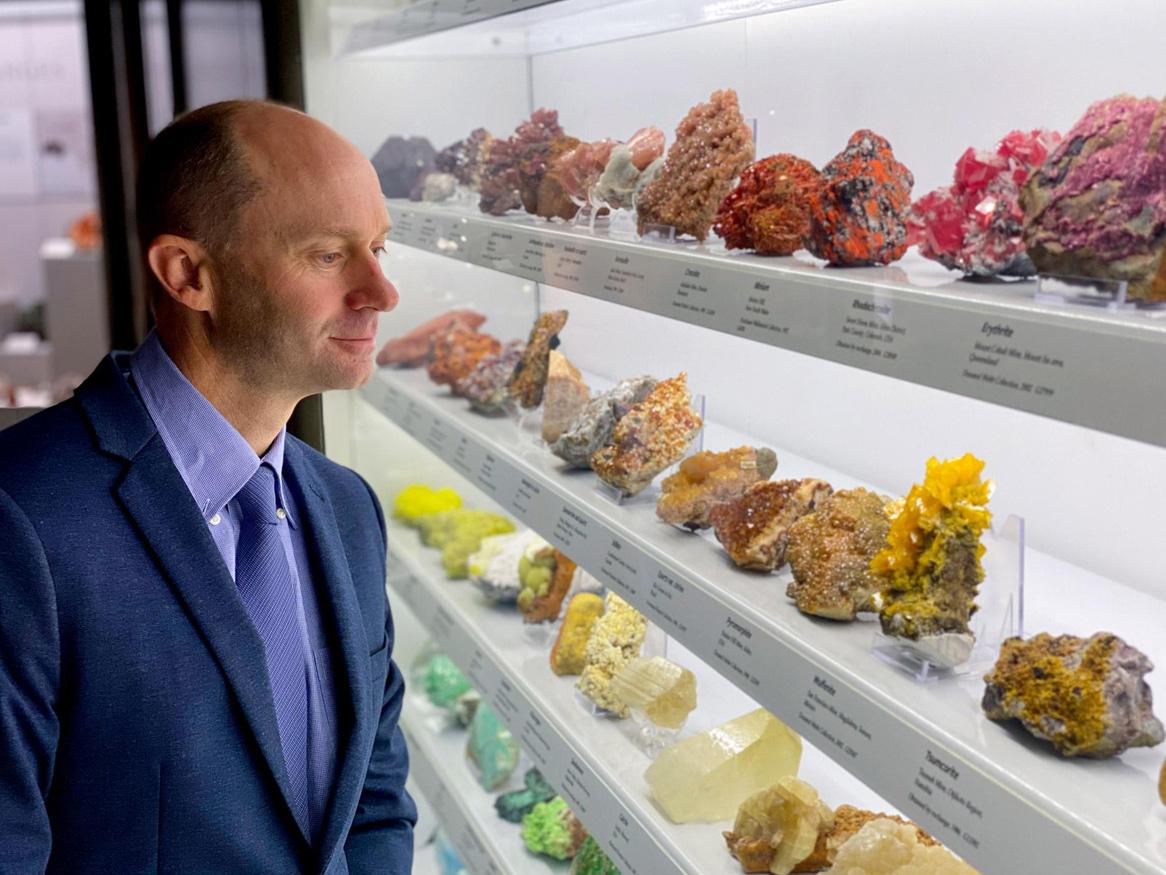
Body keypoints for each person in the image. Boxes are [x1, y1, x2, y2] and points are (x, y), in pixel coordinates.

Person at [0, 100, 416, 874]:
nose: (382, 292)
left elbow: (375, 797)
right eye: (329, 255)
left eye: (381, 248)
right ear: (189, 273)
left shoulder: (349, 509)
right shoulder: (21, 519)